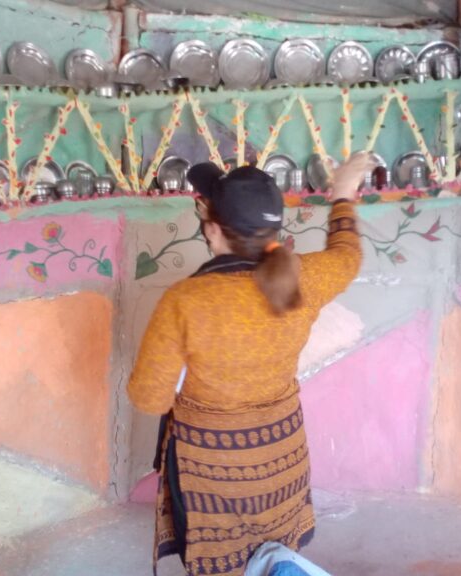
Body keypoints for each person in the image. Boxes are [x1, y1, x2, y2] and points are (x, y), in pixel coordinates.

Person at [128, 152, 375, 576]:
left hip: (212, 472)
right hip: (280, 459)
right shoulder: (303, 277)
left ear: (210, 228)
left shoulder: (185, 301)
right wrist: (343, 194)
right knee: (276, 561)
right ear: (274, 227)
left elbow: (150, 398)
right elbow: (348, 255)